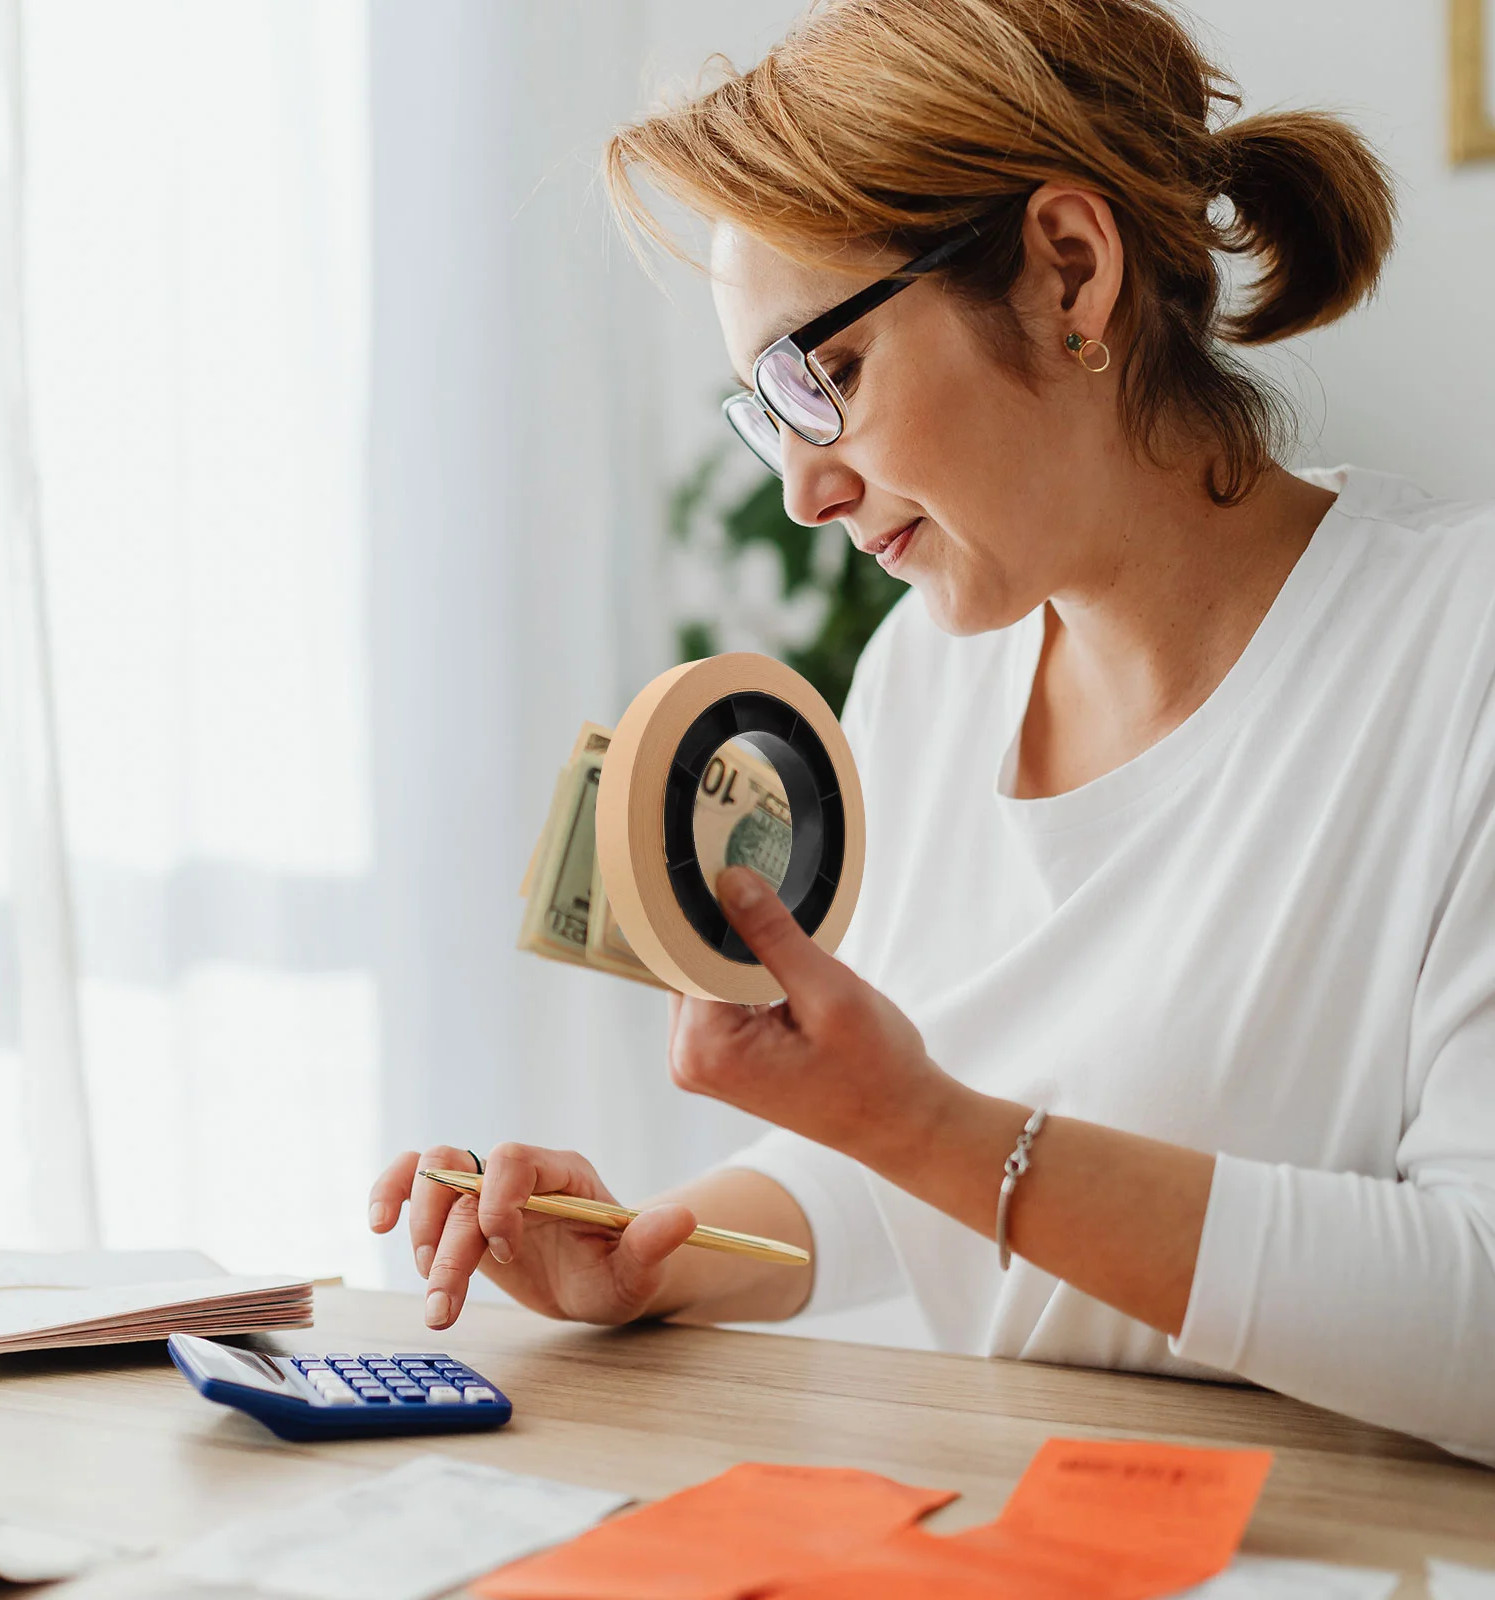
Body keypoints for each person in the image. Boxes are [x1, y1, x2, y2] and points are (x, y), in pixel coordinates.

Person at [369, 0, 1495, 1465]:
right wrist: (655, 1253)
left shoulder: (1458, 656)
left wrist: (922, 1127)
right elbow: (923, 1166)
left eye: (818, 379)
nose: (802, 491)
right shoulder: (929, 678)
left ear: (1069, 278)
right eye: (762, 410)